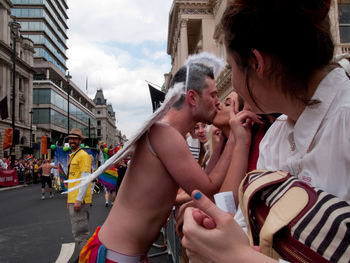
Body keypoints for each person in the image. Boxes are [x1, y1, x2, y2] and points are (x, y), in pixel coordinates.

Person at [181, 0, 350, 262]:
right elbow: (245, 228)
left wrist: (234, 256)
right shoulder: (276, 137)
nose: (233, 82)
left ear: (257, 63)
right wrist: (216, 238)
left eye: (232, 66)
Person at [79, 54, 259, 263]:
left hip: (122, 254)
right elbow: (207, 188)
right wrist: (236, 138)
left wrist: (219, 149)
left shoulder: (167, 132)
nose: (218, 102)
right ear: (192, 97)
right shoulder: (165, 133)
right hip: (115, 257)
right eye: (213, 94)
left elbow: (200, 180)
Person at [66, 128, 92, 251]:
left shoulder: (83, 155)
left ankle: (86, 258)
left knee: (81, 234)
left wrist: (78, 200)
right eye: (70, 138)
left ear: (80, 141)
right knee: (79, 234)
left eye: (75, 139)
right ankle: (85, 256)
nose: (72, 141)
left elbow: (85, 179)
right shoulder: (74, 155)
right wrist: (70, 199)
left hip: (79, 201)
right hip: (74, 199)